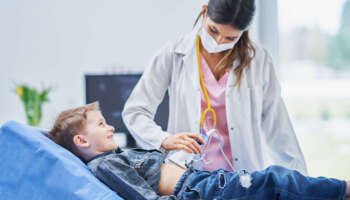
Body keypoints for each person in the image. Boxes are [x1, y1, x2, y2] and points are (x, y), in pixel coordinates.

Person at [122, 0, 307, 174]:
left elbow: (280, 132)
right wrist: (164, 139)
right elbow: (134, 112)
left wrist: (303, 187)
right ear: (204, 12)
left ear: (243, 31)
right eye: (213, 30)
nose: (218, 42)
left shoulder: (258, 60)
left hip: (242, 179)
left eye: (230, 37)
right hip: (188, 177)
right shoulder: (174, 53)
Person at [47, 102, 349, 200]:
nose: (110, 127)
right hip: (196, 189)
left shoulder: (113, 158)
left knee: (268, 184)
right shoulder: (105, 166)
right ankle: (342, 190)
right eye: (101, 124)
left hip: (200, 182)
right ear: (82, 142)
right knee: (273, 179)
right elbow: (145, 196)